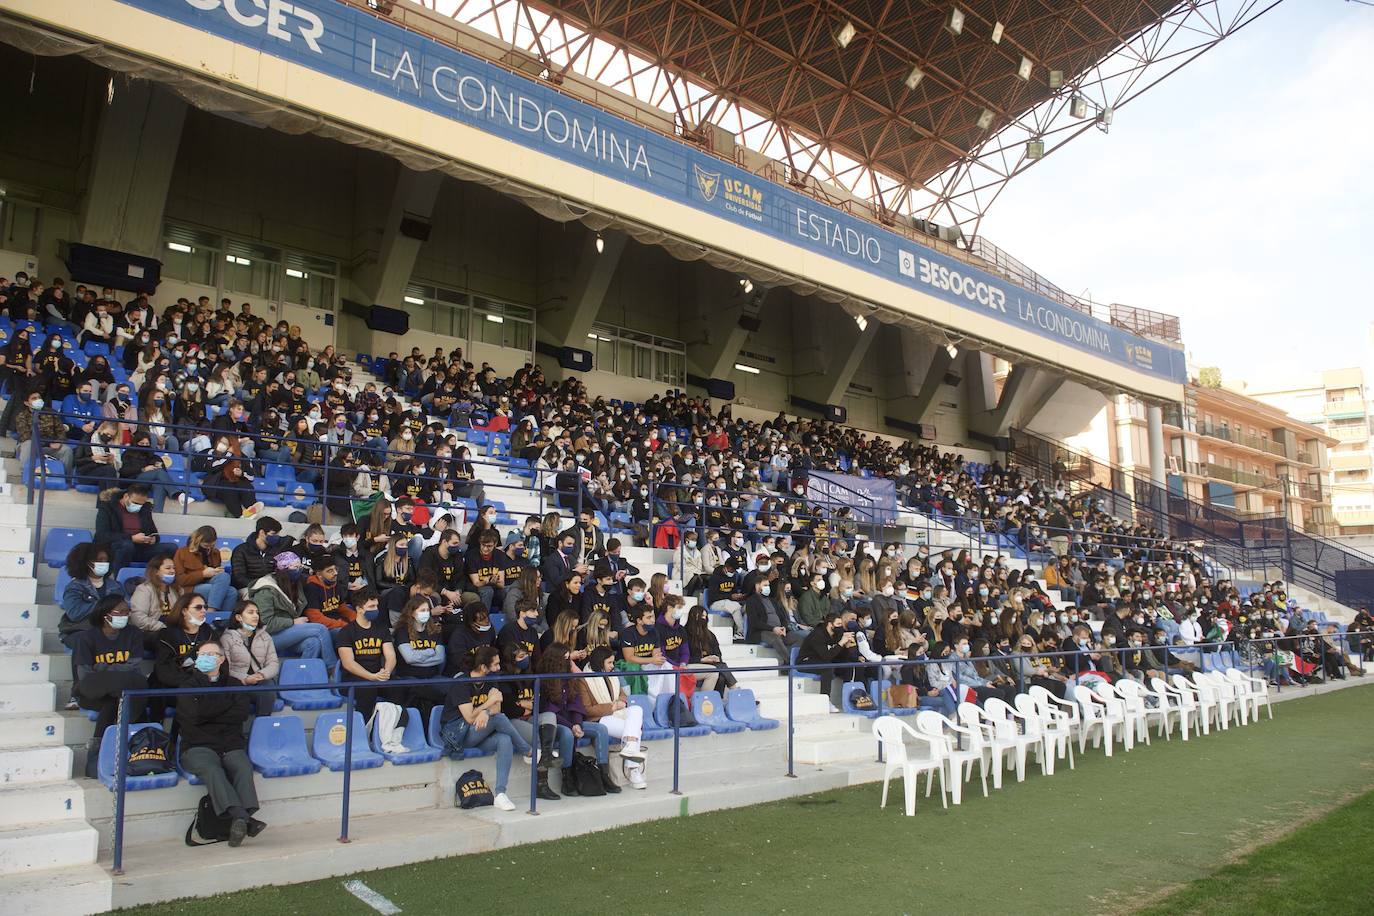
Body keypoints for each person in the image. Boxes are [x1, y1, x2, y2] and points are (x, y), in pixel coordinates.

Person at [175, 638, 265, 846]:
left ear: (221, 659)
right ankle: (242, 817)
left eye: (210, 655)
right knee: (212, 770)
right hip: (198, 745)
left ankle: (241, 819)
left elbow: (240, 714)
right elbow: (192, 717)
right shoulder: (187, 685)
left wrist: (208, 709)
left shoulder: (233, 684)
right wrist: (224, 706)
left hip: (229, 743)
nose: (204, 658)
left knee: (242, 767)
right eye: (201, 655)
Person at [438, 645, 531, 812]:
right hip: (458, 735)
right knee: (499, 720)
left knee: (505, 739)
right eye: (495, 664)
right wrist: (488, 705)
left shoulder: (490, 680)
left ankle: (501, 794)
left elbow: (497, 709)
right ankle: (527, 751)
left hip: (479, 731)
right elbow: (469, 718)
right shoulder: (462, 683)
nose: (499, 668)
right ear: (483, 667)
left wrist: (486, 712)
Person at [72, 597, 153, 777]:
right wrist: (117, 672)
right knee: (132, 686)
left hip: (119, 690)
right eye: (121, 612)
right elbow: (85, 675)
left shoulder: (133, 634)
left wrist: (102, 668)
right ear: (105, 614)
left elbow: (134, 665)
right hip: (92, 690)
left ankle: (96, 757)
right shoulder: (86, 638)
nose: (126, 615)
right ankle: (121, 749)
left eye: (127, 612)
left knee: (117, 698)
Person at [333, 588, 408, 741]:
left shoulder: (381, 628)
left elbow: (390, 655)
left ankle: (391, 734)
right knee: (368, 690)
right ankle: (363, 737)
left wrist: (386, 672)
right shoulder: (346, 632)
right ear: (359, 609)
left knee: (398, 687)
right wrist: (371, 677)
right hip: (353, 679)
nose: (376, 610)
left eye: (377, 606)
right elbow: (348, 663)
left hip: (378, 676)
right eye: (371, 607)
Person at [247, 551, 338, 668]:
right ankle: (332, 668)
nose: (299, 570)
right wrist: (292, 622)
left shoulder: (294, 583)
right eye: (295, 567)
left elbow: (314, 579)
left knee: (313, 643)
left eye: (300, 566)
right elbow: (265, 623)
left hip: (287, 632)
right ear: (284, 569)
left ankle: (301, 675)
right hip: (267, 636)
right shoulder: (265, 590)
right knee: (320, 629)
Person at [581, 645, 649, 789]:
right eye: (609, 663)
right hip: (600, 718)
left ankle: (630, 747)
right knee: (636, 730)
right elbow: (587, 709)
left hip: (617, 712)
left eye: (613, 662)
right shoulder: (584, 679)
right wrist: (611, 707)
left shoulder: (612, 674)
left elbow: (622, 695)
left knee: (636, 708)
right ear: (600, 663)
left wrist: (622, 702)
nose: (613, 666)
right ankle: (634, 771)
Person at [220, 601, 280, 716]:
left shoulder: (265, 636)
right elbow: (224, 668)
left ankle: (262, 726)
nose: (255, 615)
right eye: (250, 612)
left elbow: (273, 663)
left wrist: (261, 675)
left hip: (261, 681)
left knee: (266, 690)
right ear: (238, 617)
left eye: (257, 612)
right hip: (238, 682)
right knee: (263, 693)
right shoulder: (227, 638)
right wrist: (245, 678)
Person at [94, 483, 170, 573]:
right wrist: (131, 538)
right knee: (126, 545)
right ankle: (118, 578)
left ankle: (156, 579)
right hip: (116, 547)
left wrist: (153, 538)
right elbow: (101, 535)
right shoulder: (108, 508)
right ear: (126, 496)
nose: (138, 506)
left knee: (171, 548)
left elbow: (154, 532)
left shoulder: (144, 509)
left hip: (141, 548)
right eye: (135, 503)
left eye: (141, 504)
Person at [393, 597, 448, 721]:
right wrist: (430, 652)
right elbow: (409, 658)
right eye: (422, 610)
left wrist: (418, 657)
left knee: (451, 687)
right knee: (420, 690)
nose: (426, 613)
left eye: (428, 610)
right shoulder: (402, 632)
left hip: (432, 677)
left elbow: (440, 658)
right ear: (412, 612)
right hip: (408, 677)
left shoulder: (436, 631)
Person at [797, 611, 859, 709]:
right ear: (830, 624)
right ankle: (825, 701)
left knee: (847, 666)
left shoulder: (836, 634)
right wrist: (841, 643)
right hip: (806, 661)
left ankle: (848, 699)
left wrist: (846, 647)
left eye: (841, 624)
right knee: (827, 668)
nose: (840, 627)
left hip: (822, 659)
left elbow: (839, 655)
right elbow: (826, 656)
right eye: (838, 624)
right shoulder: (817, 634)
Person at [744, 574, 805, 665]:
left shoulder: (772, 601)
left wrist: (783, 627)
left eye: (768, 585)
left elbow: (782, 618)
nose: (767, 587)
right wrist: (773, 629)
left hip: (779, 630)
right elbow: (755, 622)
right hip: (761, 632)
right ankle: (790, 663)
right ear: (757, 586)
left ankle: (795, 659)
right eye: (765, 585)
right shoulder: (751, 601)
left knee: (799, 637)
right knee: (774, 638)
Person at [174, 526, 237, 615]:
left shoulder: (215, 552)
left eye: (211, 546)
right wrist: (203, 574)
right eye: (206, 545)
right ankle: (211, 614)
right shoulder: (182, 552)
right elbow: (180, 580)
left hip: (211, 584)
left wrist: (217, 571)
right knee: (230, 592)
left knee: (228, 584)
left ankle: (222, 623)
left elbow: (219, 580)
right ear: (198, 541)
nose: (208, 548)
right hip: (190, 587)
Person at [620, 604, 677, 700]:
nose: (653, 620)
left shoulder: (654, 632)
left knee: (667, 666)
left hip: (647, 663)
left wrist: (658, 660)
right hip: (630, 665)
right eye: (649, 617)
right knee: (635, 668)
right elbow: (629, 658)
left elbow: (656, 654)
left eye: (653, 616)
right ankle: (647, 700)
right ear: (639, 621)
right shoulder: (628, 633)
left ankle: (670, 699)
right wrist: (652, 660)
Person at [684, 605, 737, 693]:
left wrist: (715, 658)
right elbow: (684, 656)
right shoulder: (685, 633)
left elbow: (718, 652)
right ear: (694, 617)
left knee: (721, 676)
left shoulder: (710, 635)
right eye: (702, 616)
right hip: (692, 664)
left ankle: (717, 701)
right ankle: (735, 690)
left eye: (706, 616)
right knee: (721, 667)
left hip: (711, 665)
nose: (704, 619)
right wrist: (701, 659)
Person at [129, 554, 183, 631]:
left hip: (173, 630)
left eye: (174, 568)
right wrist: (163, 627)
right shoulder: (144, 589)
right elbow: (138, 617)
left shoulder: (178, 589)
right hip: (151, 631)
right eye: (168, 568)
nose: (172, 571)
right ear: (156, 571)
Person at [230, 516, 284, 591]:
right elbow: (239, 577)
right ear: (262, 532)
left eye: (278, 534)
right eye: (273, 534)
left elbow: (280, 573)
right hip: (247, 588)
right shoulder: (241, 550)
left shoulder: (276, 550)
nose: (277, 537)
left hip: (271, 587)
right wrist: (259, 585)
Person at [303, 551, 355, 630]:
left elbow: (341, 607)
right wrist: (341, 624)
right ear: (319, 574)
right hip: (324, 626)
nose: (335, 573)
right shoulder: (312, 588)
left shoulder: (335, 583)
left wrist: (356, 619)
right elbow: (314, 617)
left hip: (337, 620)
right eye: (330, 571)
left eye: (335, 569)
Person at [465, 529, 509, 612]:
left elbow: (502, 584)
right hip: (475, 588)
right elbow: (476, 583)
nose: (485, 549)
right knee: (488, 590)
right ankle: (483, 617)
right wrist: (487, 581)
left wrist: (493, 582)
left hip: (494, 586)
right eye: (483, 545)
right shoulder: (472, 555)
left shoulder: (500, 555)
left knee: (508, 590)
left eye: (489, 546)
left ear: (495, 544)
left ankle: (506, 619)